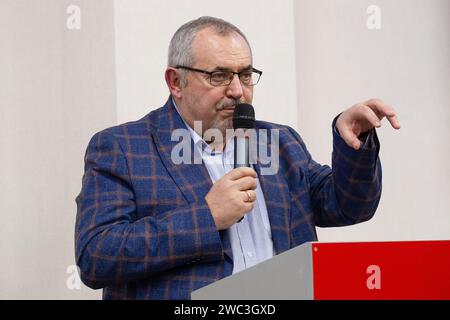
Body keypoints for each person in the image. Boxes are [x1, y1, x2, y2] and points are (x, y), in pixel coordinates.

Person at [75, 16, 400, 300]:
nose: (237, 91)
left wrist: (354, 142)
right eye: (218, 76)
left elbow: (347, 206)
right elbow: (97, 256)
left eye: (245, 75)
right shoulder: (122, 147)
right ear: (176, 82)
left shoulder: (280, 142)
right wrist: (206, 216)